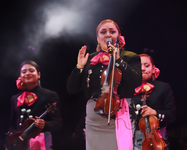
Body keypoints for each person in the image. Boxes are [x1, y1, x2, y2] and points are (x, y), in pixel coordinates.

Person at [67, 19, 142, 150]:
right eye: (103, 32)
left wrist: (118, 60)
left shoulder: (129, 57)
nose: (108, 35)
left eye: (112, 32)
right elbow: (71, 89)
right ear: (98, 38)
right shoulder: (90, 59)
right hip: (95, 113)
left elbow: (136, 82)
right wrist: (79, 67)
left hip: (120, 112)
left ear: (118, 36)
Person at [6, 60, 63, 150]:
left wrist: (45, 124)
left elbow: (58, 124)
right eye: (24, 72)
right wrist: (11, 136)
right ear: (20, 76)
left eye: (31, 71)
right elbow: (12, 124)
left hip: (40, 142)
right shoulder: (15, 98)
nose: (27, 73)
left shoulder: (50, 95)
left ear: (39, 74)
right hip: (19, 144)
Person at [131, 54, 176, 150]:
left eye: (146, 65)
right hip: (134, 139)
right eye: (139, 66)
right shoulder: (129, 90)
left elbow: (171, 115)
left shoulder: (163, 87)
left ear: (153, 68)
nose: (143, 69)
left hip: (157, 138)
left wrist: (155, 112)